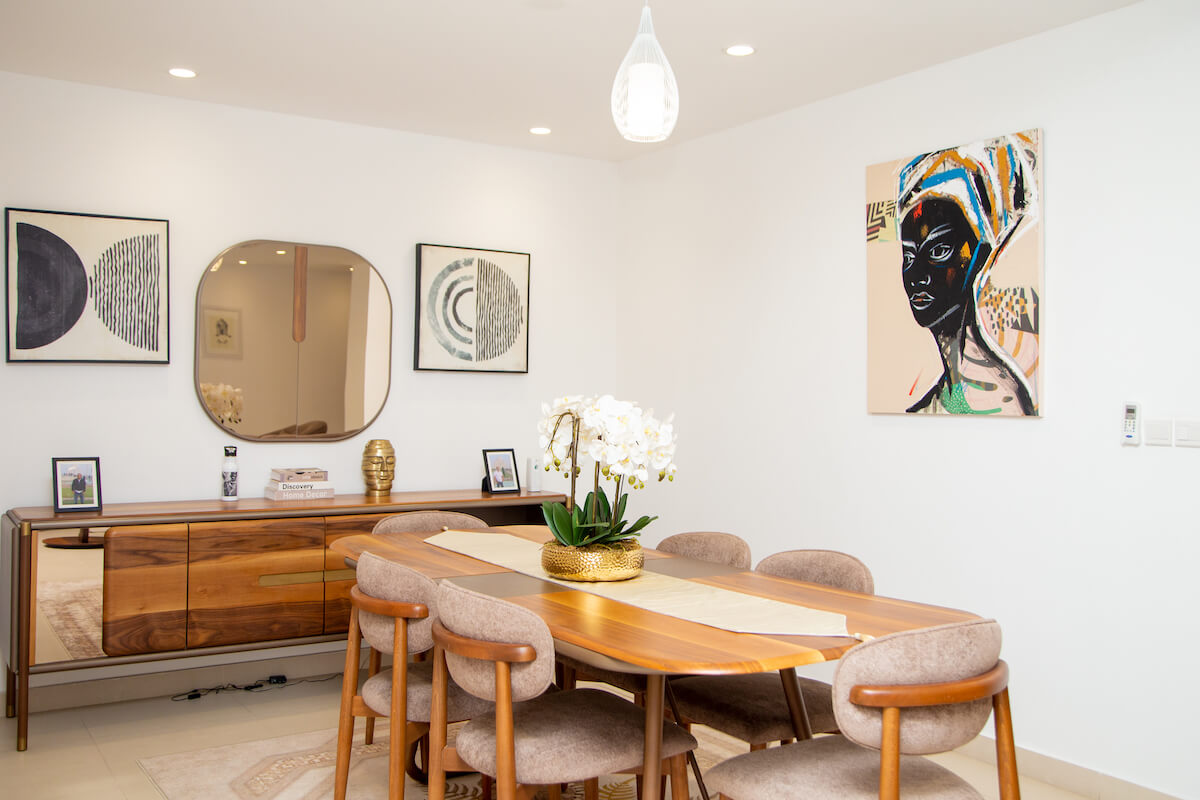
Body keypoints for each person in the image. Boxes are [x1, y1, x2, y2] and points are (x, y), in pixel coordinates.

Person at [897, 133, 1039, 415]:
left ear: (980, 255)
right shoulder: (933, 404)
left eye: (938, 251)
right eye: (909, 257)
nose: (917, 275)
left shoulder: (999, 399)